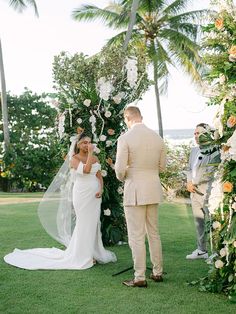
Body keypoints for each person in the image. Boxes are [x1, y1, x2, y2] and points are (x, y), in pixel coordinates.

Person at [4, 131, 116, 269]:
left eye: (89, 142)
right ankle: (84, 255)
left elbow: (99, 175)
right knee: (84, 223)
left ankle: (93, 252)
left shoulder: (96, 159)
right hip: (82, 194)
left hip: (94, 195)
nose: (88, 145)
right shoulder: (74, 158)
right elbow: (86, 170)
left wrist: (101, 189)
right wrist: (91, 153)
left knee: (93, 223)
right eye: (84, 142)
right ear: (78, 144)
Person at [115, 106, 167, 288]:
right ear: (141, 117)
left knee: (136, 236)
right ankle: (158, 272)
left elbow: (119, 171)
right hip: (153, 188)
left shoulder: (125, 138)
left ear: (126, 118)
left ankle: (139, 276)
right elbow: (162, 167)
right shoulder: (158, 138)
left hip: (135, 190)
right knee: (153, 233)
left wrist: (128, 171)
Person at [186, 123, 220, 260]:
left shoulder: (215, 150)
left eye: (199, 133)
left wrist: (194, 182)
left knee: (212, 223)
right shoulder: (194, 150)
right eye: (194, 133)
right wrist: (188, 182)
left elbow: (210, 172)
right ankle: (201, 250)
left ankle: (217, 252)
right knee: (198, 223)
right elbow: (189, 168)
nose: (196, 136)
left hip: (208, 192)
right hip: (194, 192)